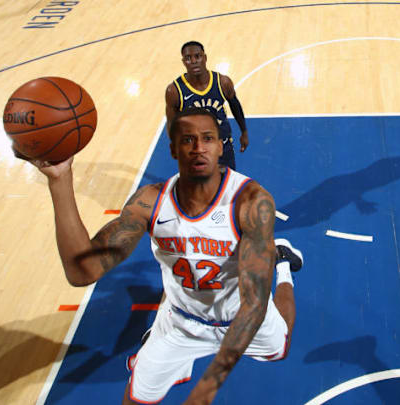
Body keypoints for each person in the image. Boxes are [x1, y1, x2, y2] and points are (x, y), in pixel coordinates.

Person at [26, 107, 303, 404]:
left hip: (243, 318)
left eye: (207, 138)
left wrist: (207, 387)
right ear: (172, 149)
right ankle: (162, 331)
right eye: (188, 140)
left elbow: (255, 303)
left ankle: (282, 264)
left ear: (220, 146)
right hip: (181, 323)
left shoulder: (250, 203)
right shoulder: (151, 202)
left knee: (280, 346)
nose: (198, 148)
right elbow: (82, 272)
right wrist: (60, 178)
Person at [166, 41, 249, 171]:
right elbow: (172, 122)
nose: (193, 61)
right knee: (200, 188)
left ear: (205, 58)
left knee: (226, 184)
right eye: (188, 58)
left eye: (197, 56)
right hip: (195, 150)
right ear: (183, 62)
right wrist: (176, 145)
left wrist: (244, 132)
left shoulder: (222, 82)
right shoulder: (174, 91)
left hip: (222, 145)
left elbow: (236, 106)